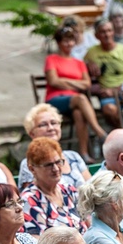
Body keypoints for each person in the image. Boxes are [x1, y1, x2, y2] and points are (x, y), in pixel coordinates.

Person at [43, 27, 106, 162]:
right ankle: (99, 132)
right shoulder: (52, 59)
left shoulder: (79, 62)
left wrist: (64, 80)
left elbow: (87, 84)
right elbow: (53, 81)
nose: (69, 44)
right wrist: (76, 83)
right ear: (59, 42)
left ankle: (83, 154)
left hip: (74, 102)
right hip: (56, 99)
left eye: (71, 41)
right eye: (65, 41)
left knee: (78, 113)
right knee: (81, 98)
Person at [21, 137, 86, 238]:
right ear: (32, 168)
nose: (55, 169)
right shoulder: (30, 200)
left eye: (58, 162)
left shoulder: (69, 190)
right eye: (48, 165)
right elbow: (38, 243)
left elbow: (88, 223)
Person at [19, 104, 91, 191]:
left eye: (53, 123)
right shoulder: (30, 163)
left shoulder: (73, 156)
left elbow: (91, 187)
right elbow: (34, 197)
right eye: (43, 125)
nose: (51, 128)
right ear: (32, 134)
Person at [84, 19, 123, 129]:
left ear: (114, 32)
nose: (107, 35)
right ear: (96, 35)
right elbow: (80, 69)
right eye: (103, 32)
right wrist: (87, 64)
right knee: (109, 110)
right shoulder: (91, 52)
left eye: (109, 30)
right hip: (106, 94)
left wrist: (116, 90)